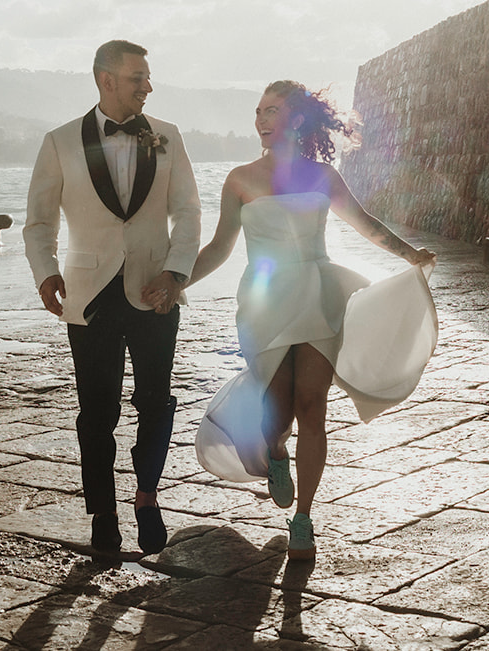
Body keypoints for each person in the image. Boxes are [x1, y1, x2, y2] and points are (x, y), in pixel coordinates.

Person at [186, 80, 438, 561]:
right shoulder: (239, 178)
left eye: (272, 110)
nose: (261, 119)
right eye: (258, 110)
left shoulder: (324, 176)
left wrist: (411, 256)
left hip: (319, 298)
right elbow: (219, 248)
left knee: (312, 408)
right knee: (276, 413)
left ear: (296, 120)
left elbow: (367, 225)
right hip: (264, 304)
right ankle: (275, 454)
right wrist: (178, 282)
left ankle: (303, 517)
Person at [23, 39, 201, 557]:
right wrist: (45, 273)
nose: (148, 86)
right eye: (137, 77)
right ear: (106, 80)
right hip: (89, 295)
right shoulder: (59, 142)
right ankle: (103, 513)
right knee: (96, 413)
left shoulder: (167, 137)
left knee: (155, 403)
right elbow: (38, 222)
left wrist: (175, 274)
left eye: (147, 77)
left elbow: (188, 212)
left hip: (156, 293)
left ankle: (147, 498)